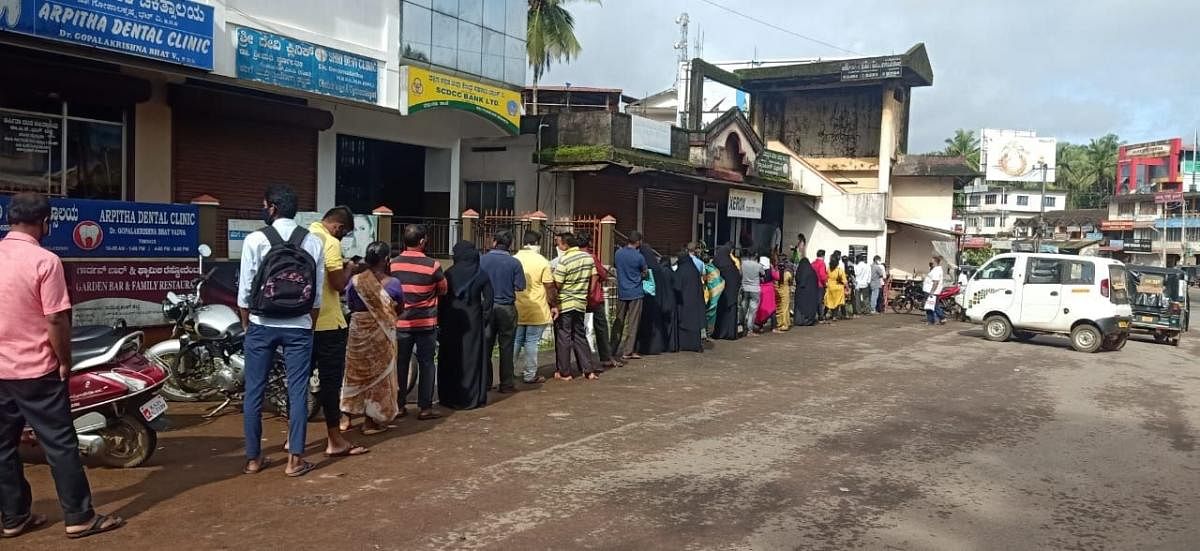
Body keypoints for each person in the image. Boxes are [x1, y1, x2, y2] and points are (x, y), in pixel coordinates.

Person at [0, 193, 125, 539]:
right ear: (45, 223)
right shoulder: (45, 261)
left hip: (1, 372)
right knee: (60, 445)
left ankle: (12, 517)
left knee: (2, 446)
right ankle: (79, 517)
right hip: (38, 370)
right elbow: (55, 319)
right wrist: (65, 360)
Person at [238, 184, 325, 478]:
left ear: (272, 208)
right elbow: (317, 292)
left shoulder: (255, 240)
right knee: (297, 390)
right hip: (299, 325)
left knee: (254, 391)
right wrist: (307, 321)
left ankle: (253, 458)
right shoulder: (312, 241)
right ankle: (295, 460)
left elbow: (245, 289)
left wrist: (247, 322)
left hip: (261, 325)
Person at [308, 206, 367, 455]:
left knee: (299, 383)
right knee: (331, 385)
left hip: (303, 322)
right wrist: (350, 269)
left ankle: (293, 440)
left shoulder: (306, 235)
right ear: (339, 227)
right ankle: (335, 440)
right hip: (328, 323)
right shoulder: (331, 242)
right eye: (344, 233)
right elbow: (337, 284)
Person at [342, 241, 402, 436]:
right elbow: (400, 307)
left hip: (358, 332)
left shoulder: (356, 280)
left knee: (354, 374)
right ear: (386, 260)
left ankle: (346, 418)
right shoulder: (393, 284)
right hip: (381, 335)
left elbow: (350, 303)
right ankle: (369, 422)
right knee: (377, 377)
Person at [390, 224, 448, 421]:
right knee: (427, 364)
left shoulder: (393, 264)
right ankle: (425, 407)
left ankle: (399, 405)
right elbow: (443, 289)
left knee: (400, 364)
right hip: (425, 322)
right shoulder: (433, 265)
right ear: (422, 241)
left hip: (401, 323)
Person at [439, 241, 494, 409]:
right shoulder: (481, 274)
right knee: (472, 358)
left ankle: (450, 397)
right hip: (473, 322)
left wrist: (441, 322)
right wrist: (483, 320)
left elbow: (440, 300)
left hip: (451, 321)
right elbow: (489, 301)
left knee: (451, 357)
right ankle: (471, 397)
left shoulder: (448, 274)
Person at [479, 231, 525, 393]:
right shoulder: (514, 263)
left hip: (486, 307)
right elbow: (520, 286)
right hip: (507, 307)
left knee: (486, 346)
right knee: (506, 347)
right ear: (510, 244)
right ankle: (506, 383)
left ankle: (485, 382)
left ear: (494, 242)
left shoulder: (482, 260)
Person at [552, 233, 598, 380]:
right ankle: (588, 370)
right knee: (579, 335)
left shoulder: (564, 260)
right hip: (580, 302)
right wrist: (586, 292)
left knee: (564, 336)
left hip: (565, 303)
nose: (558, 246)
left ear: (565, 245)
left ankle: (565, 372)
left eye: (559, 244)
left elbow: (558, 283)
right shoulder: (588, 258)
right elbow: (594, 277)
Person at [514, 231, 555, 385]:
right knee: (531, 342)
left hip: (517, 307)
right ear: (538, 243)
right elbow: (549, 287)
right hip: (537, 308)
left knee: (516, 341)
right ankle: (530, 375)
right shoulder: (543, 261)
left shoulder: (514, 259)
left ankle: (508, 372)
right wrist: (554, 305)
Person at [578, 233, 616, 369]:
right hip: (594, 297)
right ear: (589, 243)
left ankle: (582, 359)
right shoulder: (591, 257)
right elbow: (603, 274)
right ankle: (605, 357)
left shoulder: (572, 257)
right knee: (601, 327)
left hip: (577, 296)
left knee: (577, 330)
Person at [611, 231, 648, 362]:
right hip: (636, 292)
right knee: (633, 322)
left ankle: (612, 349)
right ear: (638, 242)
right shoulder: (639, 257)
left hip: (622, 291)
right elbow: (645, 273)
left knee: (618, 321)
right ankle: (627, 351)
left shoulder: (618, 253)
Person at [636, 243, 674, 355]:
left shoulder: (644, 268)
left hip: (645, 299)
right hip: (656, 301)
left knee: (644, 324)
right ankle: (656, 346)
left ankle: (642, 347)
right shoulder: (658, 269)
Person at [673, 243, 706, 352]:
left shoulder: (680, 270)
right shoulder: (694, 269)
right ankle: (695, 345)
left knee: (684, 322)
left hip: (683, 301)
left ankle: (684, 344)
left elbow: (676, 286)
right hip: (695, 300)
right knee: (694, 322)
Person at [711, 243, 742, 340]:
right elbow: (738, 277)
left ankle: (719, 333)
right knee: (731, 313)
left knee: (721, 313)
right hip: (732, 293)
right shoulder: (731, 264)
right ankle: (730, 333)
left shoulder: (717, 262)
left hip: (721, 293)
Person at [792, 236, 820, 327]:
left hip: (802, 292)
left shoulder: (803, 268)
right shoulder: (810, 271)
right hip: (809, 294)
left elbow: (799, 278)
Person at [738, 245, 764, 336]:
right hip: (755, 289)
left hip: (745, 287)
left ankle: (740, 326)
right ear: (756, 255)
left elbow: (740, 274)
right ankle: (750, 330)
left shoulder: (743, 264)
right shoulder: (759, 265)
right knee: (752, 310)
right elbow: (763, 274)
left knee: (743, 307)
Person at [701, 251, 725, 337]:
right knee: (712, 309)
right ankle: (709, 330)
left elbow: (704, 279)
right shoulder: (713, 267)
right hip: (718, 289)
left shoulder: (706, 268)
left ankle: (708, 330)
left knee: (711, 308)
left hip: (713, 290)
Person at [755, 253, 778, 333]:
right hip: (769, 290)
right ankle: (774, 327)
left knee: (761, 309)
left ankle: (760, 326)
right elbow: (777, 277)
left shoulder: (758, 269)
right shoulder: (770, 269)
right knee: (772, 309)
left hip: (760, 289)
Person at [824, 251, 848, 321]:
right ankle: (834, 316)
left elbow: (826, 277)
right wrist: (847, 288)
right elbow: (845, 281)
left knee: (828, 302)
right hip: (838, 287)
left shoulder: (828, 269)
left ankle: (824, 314)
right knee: (837, 303)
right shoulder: (839, 270)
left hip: (829, 287)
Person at [925, 255, 946, 325]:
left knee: (930, 306)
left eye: (932, 261)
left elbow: (935, 282)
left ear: (935, 262)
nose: (931, 262)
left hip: (932, 291)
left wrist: (932, 292)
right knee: (934, 306)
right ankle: (941, 318)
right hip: (932, 291)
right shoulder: (935, 269)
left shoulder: (937, 270)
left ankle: (932, 320)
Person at [775, 255, 794, 331]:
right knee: (785, 308)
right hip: (785, 290)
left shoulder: (776, 273)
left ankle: (780, 323)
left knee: (779, 308)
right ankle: (785, 324)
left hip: (778, 290)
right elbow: (791, 282)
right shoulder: (788, 274)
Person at [812, 249, 829, 321]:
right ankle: (820, 316)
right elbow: (822, 275)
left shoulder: (813, 263)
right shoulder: (822, 263)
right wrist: (826, 282)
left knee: (814, 300)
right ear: (823, 255)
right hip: (820, 285)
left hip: (813, 284)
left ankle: (814, 315)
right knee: (820, 301)